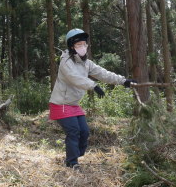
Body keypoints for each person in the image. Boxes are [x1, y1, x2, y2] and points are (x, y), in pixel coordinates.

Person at [49, 28, 136, 170]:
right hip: (61, 103)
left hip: (73, 104)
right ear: (71, 46)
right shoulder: (66, 62)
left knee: (84, 132)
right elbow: (75, 78)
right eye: (78, 45)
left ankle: (74, 156)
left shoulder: (86, 63)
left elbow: (103, 73)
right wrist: (94, 86)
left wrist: (123, 81)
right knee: (74, 131)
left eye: (84, 44)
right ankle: (72, 162)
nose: (82, 47)